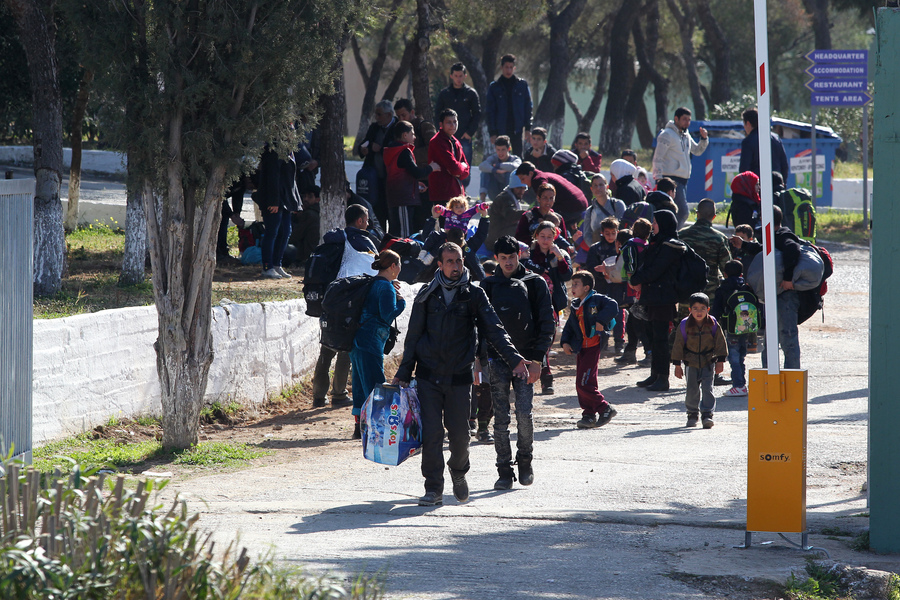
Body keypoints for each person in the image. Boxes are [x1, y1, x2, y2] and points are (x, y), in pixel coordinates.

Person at [392, 242, 531, 507]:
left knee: (459, 436)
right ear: (440, 265)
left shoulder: (474, 295)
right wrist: (403, 371)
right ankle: (433, 488)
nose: (456, 266)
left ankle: (458, 472)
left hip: (459, 377)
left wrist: (514, 359)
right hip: (428, 376)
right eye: (450, 262)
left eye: (459, 261)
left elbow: (495, 329)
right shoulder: (426, 294)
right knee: (432, 434)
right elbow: (413, 336)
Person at [481, 235, 554, 490]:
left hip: (527, 360)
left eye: (512, 257)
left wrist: (537, 361)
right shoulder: (487, 286)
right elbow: (481, 327)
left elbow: (547, 323)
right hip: (496, 360)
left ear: (519, 255)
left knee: (524, 414)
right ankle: (503, 469)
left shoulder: (535, 283)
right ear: (496, 259)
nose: (509, 262)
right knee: (500, 419)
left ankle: (525, 460)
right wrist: (480, 361)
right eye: (503, 258)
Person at [311, 204, 380, 411]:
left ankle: (318, 396)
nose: (367, 223)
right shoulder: (361, 241)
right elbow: (376, 270)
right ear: (360, 221)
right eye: (366, 219)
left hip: (331, 298)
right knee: (346, 349)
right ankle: (339, 394)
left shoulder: (336, 239)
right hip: (350, 301)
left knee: (326, 348)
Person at [731, 205, 803, 369]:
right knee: (771, 338)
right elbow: (765, 250)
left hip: (786, 294)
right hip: (774, 293)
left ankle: (792, 377)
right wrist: (743, 245)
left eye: (762, 218)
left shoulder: (783, 235)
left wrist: (787, 278)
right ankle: (768, 377)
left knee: (787, 336)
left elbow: (793, 249)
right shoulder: (773, 236)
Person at [350, 251, 407, 438]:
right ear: (392, 266)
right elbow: (388, 314)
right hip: (371, 342)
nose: (400, 268)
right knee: (376, 384)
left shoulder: (372, 283)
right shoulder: (386, 288)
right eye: (399, 264)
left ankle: (359, 427)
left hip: (356, 340)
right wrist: (402, 302)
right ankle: (377, 428)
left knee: (359, 384)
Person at [629, 210, 686, 392]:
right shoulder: (659, 243)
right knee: (653, 337)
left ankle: (663, 378)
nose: (652, 225)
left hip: (663, 298)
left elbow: (656, 270)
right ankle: (655, 374)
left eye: (655, 222)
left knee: (660, 339)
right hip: (654, 297)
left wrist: (636, 279)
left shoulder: (670, 246)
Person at [561, 271, 620, 429]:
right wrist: (565, 342)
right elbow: (569, 326)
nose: (572, 287)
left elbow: (613, 306)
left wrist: (601, 320)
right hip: (582, 348)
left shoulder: (596, 299)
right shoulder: (575, 305)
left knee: (583, 383)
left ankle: (605, 408)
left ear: (586, 287)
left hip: (593, 346)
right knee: (585, 382)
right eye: (572, 284)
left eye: (576, 284)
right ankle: (588, 415)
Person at [527, 221, 573, 394]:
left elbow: (566, 275)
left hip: (552, 304)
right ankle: (538, 377)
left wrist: (560, 257)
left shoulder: (559, 253)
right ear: (536, 236)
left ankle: (545, 378)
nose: (545, 240)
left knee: (546, 342)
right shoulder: (528, 253)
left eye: (549, 237)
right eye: (542, 236)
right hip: (531, 303)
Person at [671, 292, 727, 429]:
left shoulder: (713, 324)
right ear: (690, 310)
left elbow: (720, 342)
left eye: (702, 308)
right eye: (695, 308)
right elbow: (678, 344)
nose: (699, 312)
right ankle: (692, 414)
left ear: (708, 309)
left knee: (708, 389)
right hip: (691, 362)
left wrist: (720, 361)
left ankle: (707, 415)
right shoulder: (684, 325)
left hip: (708, 362)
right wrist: (677, 364)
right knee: (692, 390)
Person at [651, 107, 709, 228]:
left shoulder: (685, 134)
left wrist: (703, 139)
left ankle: (668, 233)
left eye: (689, 120)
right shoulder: (667, 134)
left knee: (673, 211)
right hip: (671, 180)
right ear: (676, 119)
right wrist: (659, 179)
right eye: (684, 119)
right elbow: (658, 158)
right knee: (683, 212)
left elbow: (697, 151)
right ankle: (673, 234)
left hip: (683, 180)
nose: (687, 122)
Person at [384, 120, 439, 237]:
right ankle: (403, 254)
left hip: (395, 197)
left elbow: (402, 173)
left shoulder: (391, 150)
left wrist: (415, 184)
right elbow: (416, 172)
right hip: (403, 199)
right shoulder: (403, 151)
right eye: (412, 134)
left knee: (396, 230)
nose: (414, 137)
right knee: (404, 234)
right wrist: (431, 167)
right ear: (405, 135)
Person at [254, 144, 301, 279]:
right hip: (273, 199)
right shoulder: (273, 151)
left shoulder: (288, 149)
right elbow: (273, 177)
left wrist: (294, 202)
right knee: (272, 232)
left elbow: (290, 178)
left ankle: (277, 264)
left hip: (286, 199)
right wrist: (273, 201)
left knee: (286, 231)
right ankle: (267, 267)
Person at [584, 216, 627, 354]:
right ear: (602, 232)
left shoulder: (622, 248)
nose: (610, 236)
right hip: (601, 287)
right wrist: (603, 273)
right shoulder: (596, 249)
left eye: (613, 233)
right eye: (607, 233)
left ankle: (619, 343)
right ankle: (601, 342)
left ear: (617, 232)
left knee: (619, 314)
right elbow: (591, 268)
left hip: (618, 287)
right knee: (600, 315)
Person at [711, 260, 753, 397]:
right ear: (741, 273)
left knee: (733, 356)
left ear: (725, 274)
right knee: (741, 355)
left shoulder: (723, 288)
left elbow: (716, 310)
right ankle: (742, 383)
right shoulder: (747, 287)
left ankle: (738, 385)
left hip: (731, 328)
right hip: (747, 326)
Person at [434, 63, 481, 186]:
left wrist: (469, 132)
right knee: (447, 164)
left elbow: (477, 114)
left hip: (464, 137)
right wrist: (440, 132)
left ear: (465, 76)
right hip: (446, 138)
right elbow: (437, 113)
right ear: (451, 76)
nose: (458, 78)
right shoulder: (445, 94)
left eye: (461, 76)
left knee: (465, 166)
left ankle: (463, 191)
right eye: (456, 76)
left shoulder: (471, 93)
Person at [678, 198, 732, 301]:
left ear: (697, 214)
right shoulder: (719, 238)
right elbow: (726, 267)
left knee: (685, 317)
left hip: (684, 291)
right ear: (714, 216)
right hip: (709, 294)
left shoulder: (681, 235)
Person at [616, 218, 653, 365]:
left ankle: (649, 353)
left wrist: (632, 281)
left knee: (638, 322)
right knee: (633, 320)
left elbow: (630, 264)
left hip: (633, 288)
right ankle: (630, 352)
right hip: (642, 286)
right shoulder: (647, 245)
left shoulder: (630, 245)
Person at [515, 161, 588, 234]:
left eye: (523, 179)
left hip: (573, 207)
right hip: (580, 203)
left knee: (546, 224)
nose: (522, 182)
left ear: (530, 173)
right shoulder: (545, 174)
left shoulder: (538, 180)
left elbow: (545, 198)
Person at [356, 100, 397, 227]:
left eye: (379, 115)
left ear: (389, 115)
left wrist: (381, 148)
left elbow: (397, 148)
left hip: (390, 178)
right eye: (376, 114)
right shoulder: (374, 127)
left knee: (391, 214)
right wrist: (363, 150)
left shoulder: (397, 127)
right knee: (377, 213)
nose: (377, 118)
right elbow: (364, 143)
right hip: (374, 178)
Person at [485, 54, 533, 157]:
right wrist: (492, 132)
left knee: (518, 158)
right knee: (500, 158)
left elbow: (528, 107)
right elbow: (490, 111)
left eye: (511, 67)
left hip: (517, 129)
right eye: (506, 67)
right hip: (500, 129)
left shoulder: (522, 85)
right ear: (502, 67)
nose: (509, 70)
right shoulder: (494, 87)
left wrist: (528, 128)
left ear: (514, 68)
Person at [573, 174, 625, 266]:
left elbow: (623, 227)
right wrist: (597, 249)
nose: (598, 188)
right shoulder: (590, 210)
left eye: (601, 185)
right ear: (591, 189)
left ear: (607, 186)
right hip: (598, 253)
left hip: (617, 250)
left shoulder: (617, 205)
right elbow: (587, 234)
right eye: (595, 185)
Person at [428, 109, 471, 208]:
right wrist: (461, 168)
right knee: (446, 224)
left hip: (457, 193)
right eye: (448, 122)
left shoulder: (455, 141)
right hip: (443, 194)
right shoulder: (437, 141)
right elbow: (454, 168)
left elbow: (466, 170)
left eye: (455, 122)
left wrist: (459, 171)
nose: (452, 125)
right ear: (441, 124)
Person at [515, 182, 571, 251]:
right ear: (538, 198)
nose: (548, 201)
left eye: (551, 198)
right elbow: (519, 239)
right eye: (545, 198)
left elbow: (564, 241)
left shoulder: (558, 218)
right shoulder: (528, 217)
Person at [739, 107, 789, 181]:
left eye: (744, 124)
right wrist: (782, 184)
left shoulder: (748, 142)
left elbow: (744, 170)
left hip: (758, 187)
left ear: (748, 123)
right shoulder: (776, 138)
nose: (744, 127)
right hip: (777, 185)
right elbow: (784, 166)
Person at [485, 174, 528, 253]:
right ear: (512, 187)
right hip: (497, 242)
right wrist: (528, 213)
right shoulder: (504, 198)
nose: (521, 191)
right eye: (518, 188)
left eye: (523, 188)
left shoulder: (511, 197)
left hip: (501, 237)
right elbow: (511, 215)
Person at [478, 135, 522, 201]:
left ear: (509, 149)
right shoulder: (493, 158)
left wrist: (498, 165)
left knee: (510, 173)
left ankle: (510, 200)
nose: (500, 153)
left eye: (503, 150)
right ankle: (482, 200)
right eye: (498, 150)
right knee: (485, 172)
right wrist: (495, 170)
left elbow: (515, 166)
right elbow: (482, 166)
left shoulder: (515, 159)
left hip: (510, 192)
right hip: (495, 191)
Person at [218, 177, 247, 262]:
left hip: (223, 202)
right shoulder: (233, 179)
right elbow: (220, 197)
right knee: (222, 220)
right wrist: (231, 214)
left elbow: (238, 197)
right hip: (216, 199)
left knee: (224, 221)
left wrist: (237, 213)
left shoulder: (242, 184)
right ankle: (218, 251)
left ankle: (223, 251)